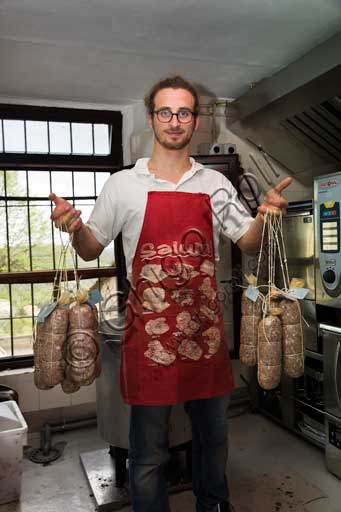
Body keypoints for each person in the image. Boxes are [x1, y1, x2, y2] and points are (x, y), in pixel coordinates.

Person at [49, 75, 291, 512]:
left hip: (205, 338)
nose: (174, 121)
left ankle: (213, 506)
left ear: (195, 121)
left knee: (213, 441)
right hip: (149, 341)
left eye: (183, 112)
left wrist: (267, 215)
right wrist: (74, 227)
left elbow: (248, 242)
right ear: (151, 118)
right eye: (165, 112)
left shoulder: (214, 185)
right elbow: (89, 249)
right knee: (147, 454)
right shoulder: (122, 185)